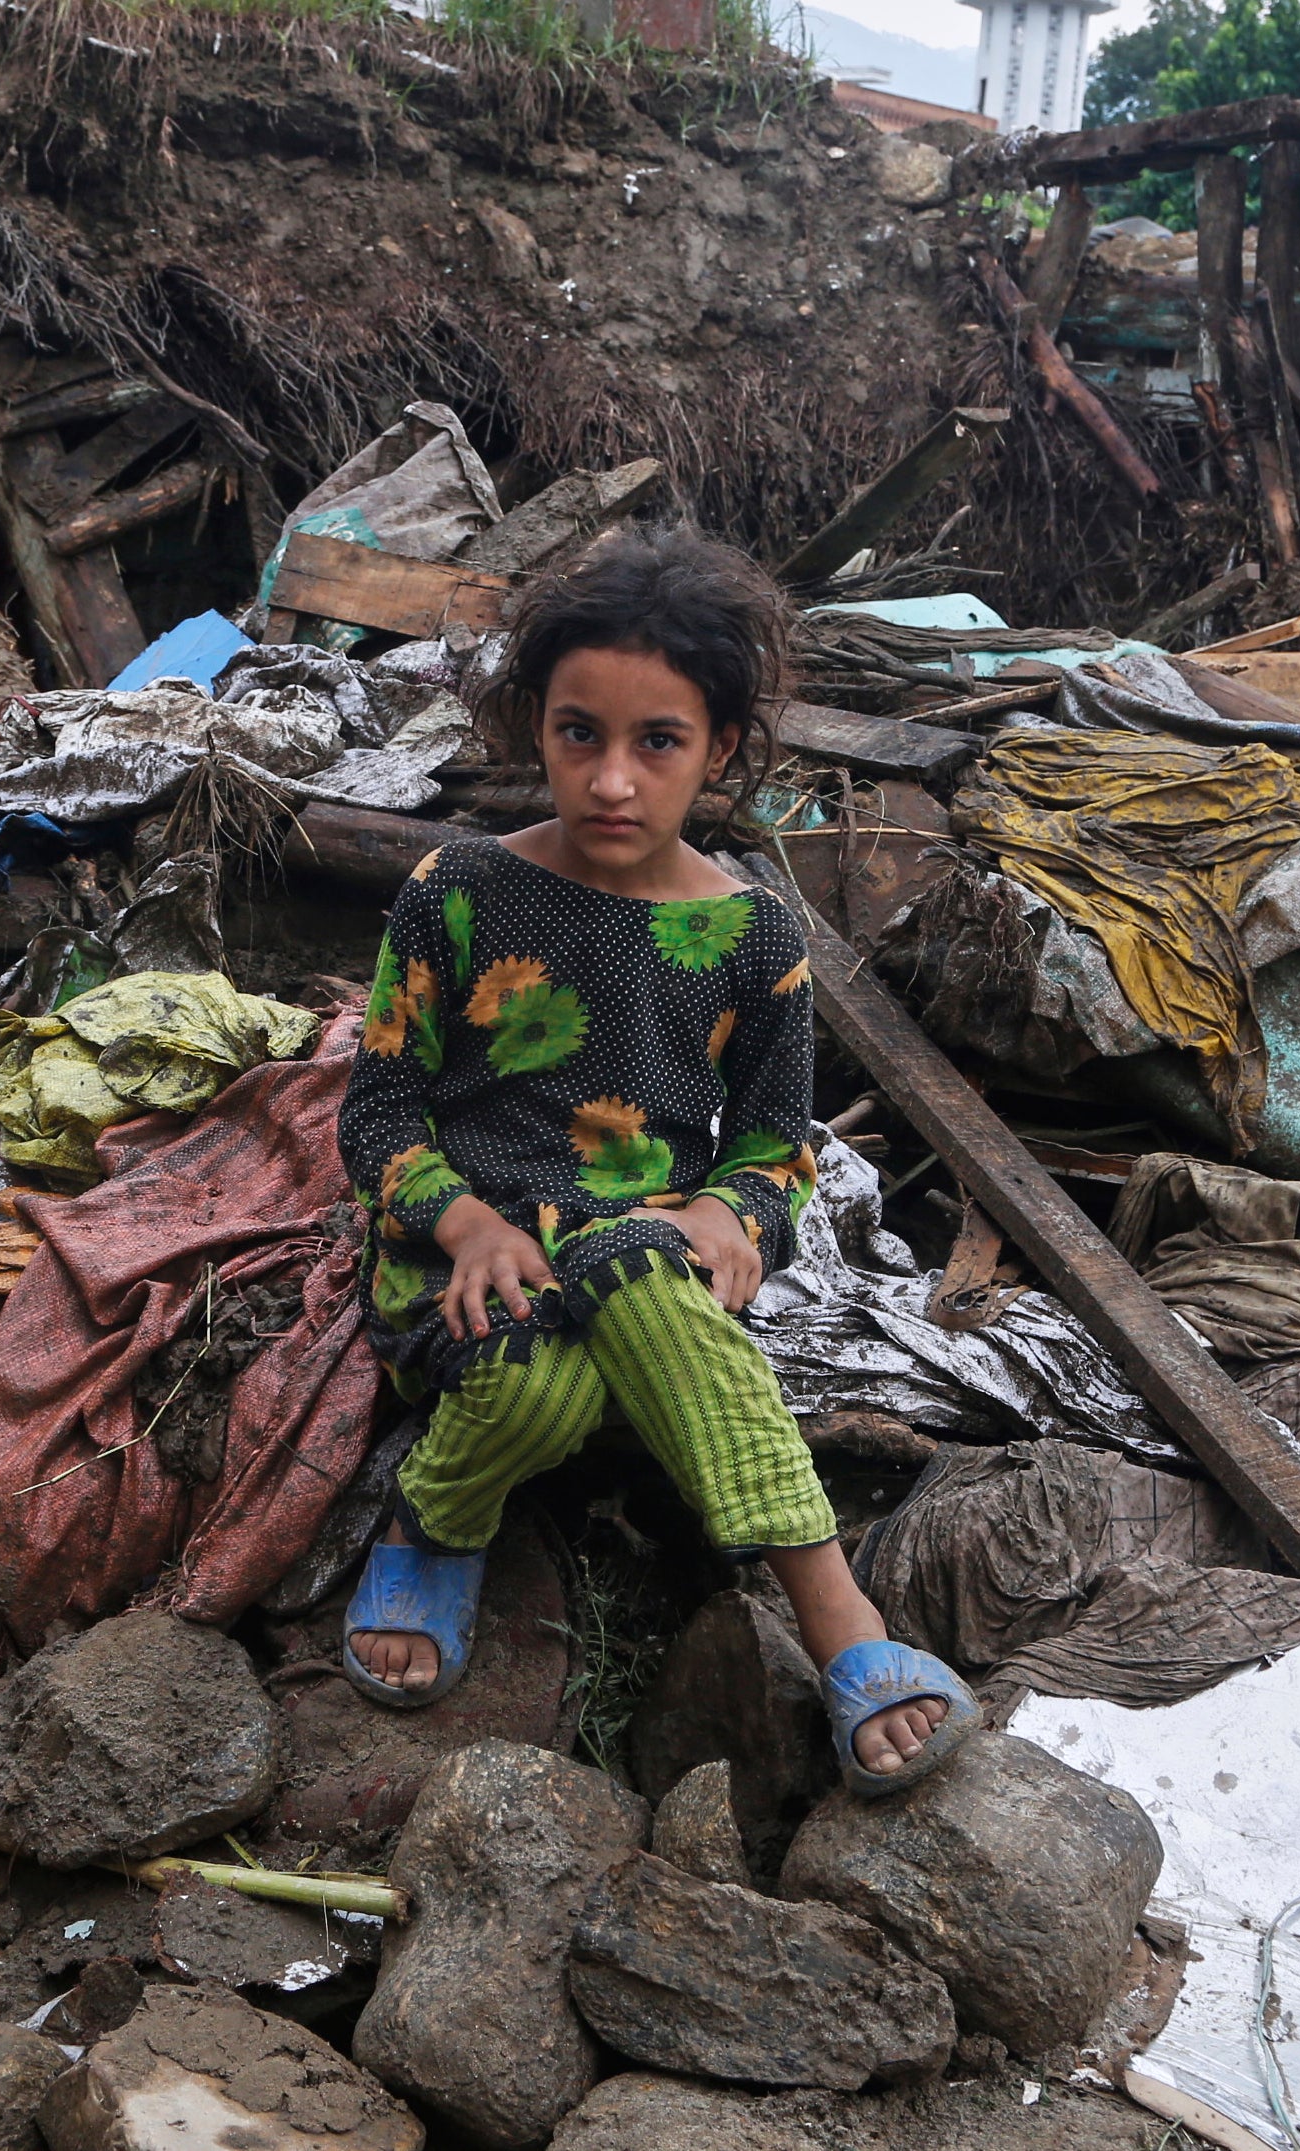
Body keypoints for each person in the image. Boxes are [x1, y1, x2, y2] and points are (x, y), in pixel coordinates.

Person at [332, 525, 976, 1795]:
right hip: (471, 1269)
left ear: (719, 749)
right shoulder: (455, 893)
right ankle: (449, 1522)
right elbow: (376, 1115)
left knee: (626, 1271)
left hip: (651, 1267)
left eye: (657, 743)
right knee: (534, 1383)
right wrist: (461, 1224)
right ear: (537, 728)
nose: (612, 779)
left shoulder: (752, 937)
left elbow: (773, 1153)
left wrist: (737, 1215)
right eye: (581, 734)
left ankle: (816, 1613)